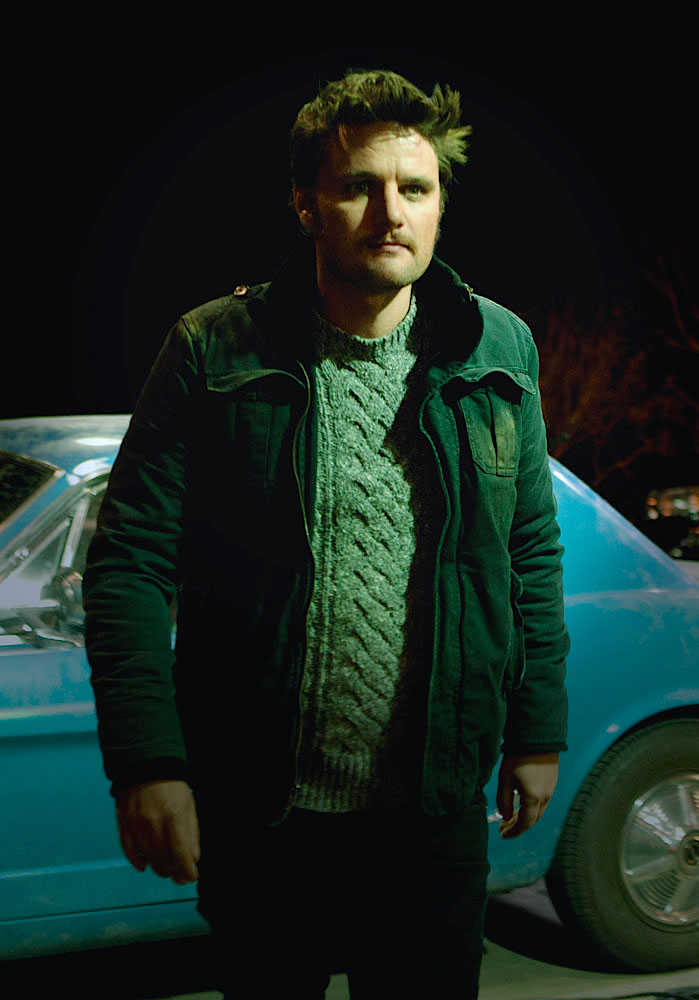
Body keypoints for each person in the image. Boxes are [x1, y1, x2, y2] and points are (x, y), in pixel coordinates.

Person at [83, 68, 569, 998]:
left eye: (415, 188)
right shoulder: (212, 347)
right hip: (265, 813)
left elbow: (528, 552)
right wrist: (148, 763)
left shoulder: (497, 348)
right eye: (358, 187)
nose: (391, 213)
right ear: (306, 205)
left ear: (439, 205)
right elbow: (130, 564)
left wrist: (535, 731)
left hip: (432, 815)